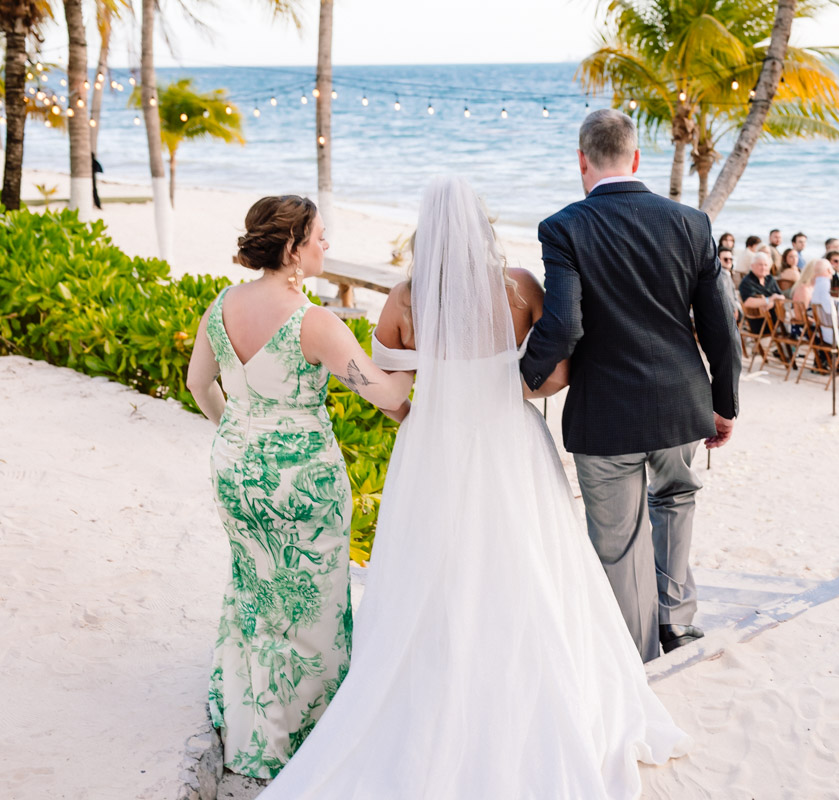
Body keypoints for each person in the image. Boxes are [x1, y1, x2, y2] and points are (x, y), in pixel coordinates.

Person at [258, 176, 693, 799]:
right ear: (482, 224)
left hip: (432, 448)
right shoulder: (518, 288)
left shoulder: (406, 299)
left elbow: (388, 389)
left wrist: (432, 407)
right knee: (529, 569)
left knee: (435, 572)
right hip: (509, 445)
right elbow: (552, 376)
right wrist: (501, 386)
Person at [185, 196, 415, 779]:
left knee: (255, 589)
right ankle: (304, 732)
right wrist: (421, 349)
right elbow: (387, 397)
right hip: (301, 485)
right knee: (312, 604)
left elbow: (197, 382)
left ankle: (249, 720)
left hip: (236, 469)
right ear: (291, 248)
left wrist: (239, 432)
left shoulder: (222, 304)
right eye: (318, 236)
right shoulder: (315, 323)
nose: (326, 246)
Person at [522, 109, 740, 662]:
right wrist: (724, 404)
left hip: (605, 412)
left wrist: (519, 378)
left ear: (581, 160)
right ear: (636, 158)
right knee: (676, 502)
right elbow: (721, 325)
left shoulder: (564, 227)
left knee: (618, 547)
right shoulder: (691, 223)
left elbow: (564, 324)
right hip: (681, 405)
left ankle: (635, 656)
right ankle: (679, 626)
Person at [739, 251, 784, 333]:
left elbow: (781, 296)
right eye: (760, 264)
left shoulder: (770, 279)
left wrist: (771, 304)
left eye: (765, 265)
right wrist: (769, 300)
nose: (763, 268)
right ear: (752, 266)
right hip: (759, 323)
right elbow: (748, 302)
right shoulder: (747, 282)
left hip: (777, 319)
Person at [718, 246, 742, 319]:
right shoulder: (721, 276)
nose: (729, 261)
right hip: (728, 314)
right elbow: (725, 295)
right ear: (718, 260)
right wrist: (734, 309)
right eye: (725, 259)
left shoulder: (727, 274)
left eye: (731, 259)